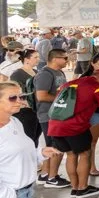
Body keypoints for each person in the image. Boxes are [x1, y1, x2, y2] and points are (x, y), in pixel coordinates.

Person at [46, 67, 99, 198]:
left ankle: (75, 188)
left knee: (71, 155)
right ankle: (83, 188)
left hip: (55, 125)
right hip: (75, 126)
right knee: (85, 154)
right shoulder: (98, 87)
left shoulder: (70, 83)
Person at [34, 49, 70, 188]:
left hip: (56, 115)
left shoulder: (59, 72)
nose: (67, 60)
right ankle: (52, 178)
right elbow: (41, 96)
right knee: (57, 146)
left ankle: (44, 174)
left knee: (51, 145)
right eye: (65, 58)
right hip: (48, 116)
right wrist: (62, 100)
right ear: (55, 59)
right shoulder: (45, 74)